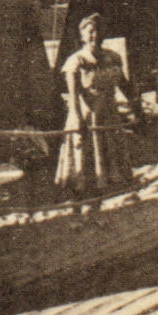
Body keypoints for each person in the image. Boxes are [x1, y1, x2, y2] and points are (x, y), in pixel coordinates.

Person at [55, 13, 140, 201]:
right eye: (90, 32)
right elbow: (73, 95)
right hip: (86, 114)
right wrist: (77, 118)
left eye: (99, 31)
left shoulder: (114, 57)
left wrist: (136, 106)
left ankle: (112, 186)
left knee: (110, 150)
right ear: (83, 36)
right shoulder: (76, 61)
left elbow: (123, 84)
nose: (95, 36)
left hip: (109, 113)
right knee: (86, 153)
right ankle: (85, 191)